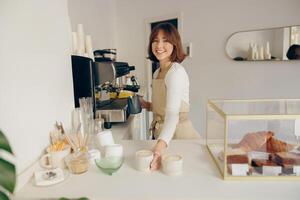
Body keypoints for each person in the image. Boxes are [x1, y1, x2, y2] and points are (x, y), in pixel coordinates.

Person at [140, 23, 199, 171]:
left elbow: (172, 115)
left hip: (179, 136)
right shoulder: (157, 72)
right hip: (163, 135)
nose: (159, 45)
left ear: (174, 43)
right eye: (155, 40)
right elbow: (162, 105)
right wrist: (146, 105)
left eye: (165, 40)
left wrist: (159, 147)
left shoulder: (176, 72)